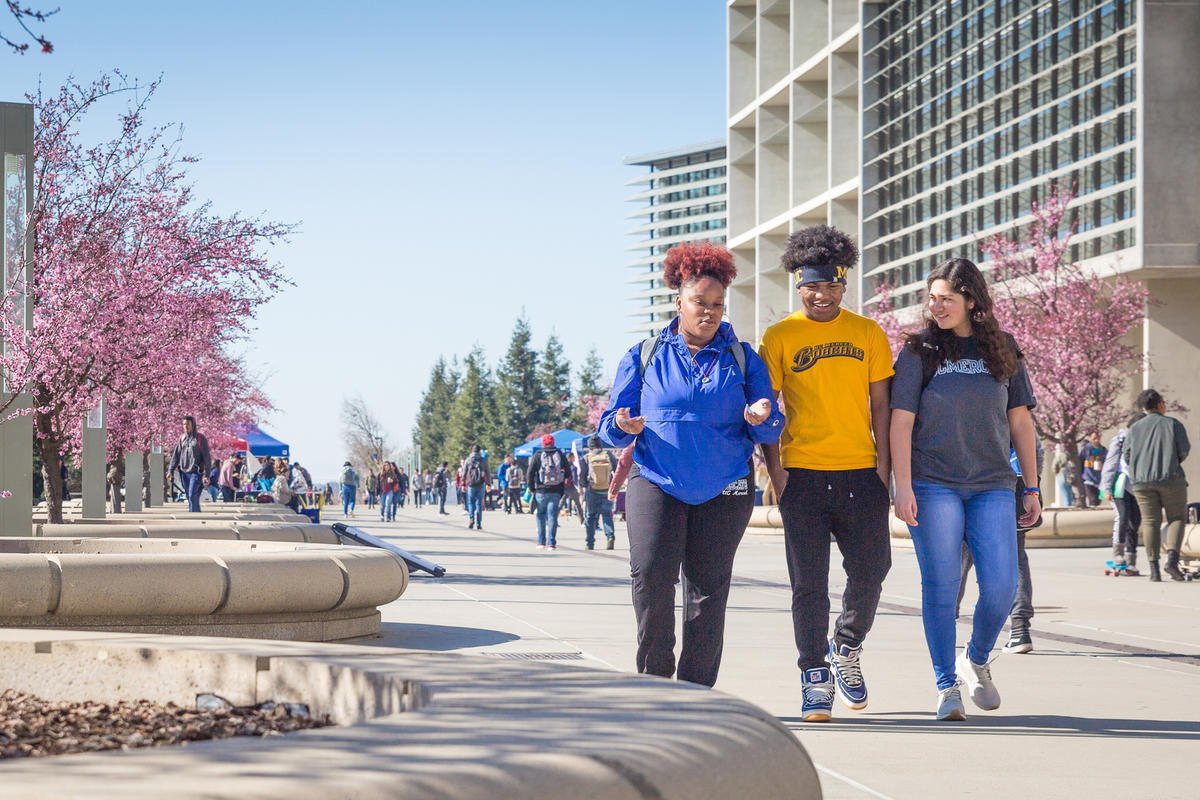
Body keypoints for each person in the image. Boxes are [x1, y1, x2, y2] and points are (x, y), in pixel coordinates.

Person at [600, 241, 783, 688]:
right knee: (650, 576)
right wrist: (622, 424)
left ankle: (696, 689)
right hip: (656, 479)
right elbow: (609, 426)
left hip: (725, 486)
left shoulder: (743, 358)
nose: (710, 312)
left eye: (718, 304)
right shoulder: (644, 355)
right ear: (678, 301)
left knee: (708, 590)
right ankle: (655, 680)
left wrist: (762, 417)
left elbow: (771, 425)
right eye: (700, 302)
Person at [890, 257, 1040, 721]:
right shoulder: (918, 351)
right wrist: (902, 486)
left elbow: (1020, 422)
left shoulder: (1003, 349)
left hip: (993, 483)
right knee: (942, 585)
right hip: (933, 483)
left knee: (1002, 586)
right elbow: (900, 422)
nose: (936, 307)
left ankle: (974, 659)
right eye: (932, 298)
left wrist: (1032, 486)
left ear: (972, 301)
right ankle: (946, 686)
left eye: (947, 299)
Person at [757, 225, 894, 722]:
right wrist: (776, 470)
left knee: (873, 569)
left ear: (843, 285)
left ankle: (847, 645)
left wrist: (884, 465)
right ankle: (814, 673)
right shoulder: (779, 337)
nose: (822, 295)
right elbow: (766, 409)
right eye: (812, 286)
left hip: (861, 472)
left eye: (832, 286)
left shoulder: (867, 333)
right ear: (798, 286)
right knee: (809, 583)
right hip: (804, 475)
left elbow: (881, 405)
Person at [1124, 389, 1191, 582]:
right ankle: (1172, 560)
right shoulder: (1173, 424)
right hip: (1171, 478)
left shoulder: (1134, 428)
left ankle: (1154, 569)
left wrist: (1140, 468)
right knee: (1177, 518)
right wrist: (1171, 462)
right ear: (1160, 404)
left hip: (1142, 482)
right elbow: (1184, 450)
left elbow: (1127, 455)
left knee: (1150, 521)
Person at [1099, 413, 1144, 575]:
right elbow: (1110, 463)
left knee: (1135, 521)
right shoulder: (1120, 439)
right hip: (1121, 485)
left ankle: (1131, 558)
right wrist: (1106, 487)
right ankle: (1118, 554)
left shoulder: (1144, 440)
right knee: (1123, 517)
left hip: (1138, 486)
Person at [527, 434, 568, 549]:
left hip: (541, 491)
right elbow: (568, 472)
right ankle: (551, 543)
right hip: (556, 491)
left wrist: (532, 488)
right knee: (552, 517)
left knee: (540, 515)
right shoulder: (559, 454)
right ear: (553, 442)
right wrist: (561, 485)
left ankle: (541, 542)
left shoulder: (538, 454)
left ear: (543, 443)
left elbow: (530, 473)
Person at [168, 415, 212, 513]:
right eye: (184, 424)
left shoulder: (200, 438)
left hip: (196, 472)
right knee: (190, 496)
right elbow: (176, 455)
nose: (185, 426)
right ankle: (196, 515)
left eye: (187, 424)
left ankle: (193, 516)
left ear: (193, 425)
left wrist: (207, 474)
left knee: (192, 495)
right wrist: (170, 470)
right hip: (184, 472)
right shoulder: (182, 438)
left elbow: (207, 458)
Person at [580, 436, 617, 550]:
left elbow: (582, 476)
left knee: (590, 516)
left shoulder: (587, 457)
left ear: (589, 446)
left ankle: (590, 543)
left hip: (592, 491)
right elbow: (616, 469)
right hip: (607, 489)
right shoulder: (608, 455)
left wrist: (585, 486)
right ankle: (610, 536)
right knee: (607, 514)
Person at [463, 445, 490, 530]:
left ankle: (471, 519)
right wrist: (488, 484)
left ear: (472, 450)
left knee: (470, 503)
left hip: (471, 484)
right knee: (479, 503)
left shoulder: (468, 460)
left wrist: (463, 484)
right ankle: (479, 523)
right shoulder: (483, 460)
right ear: (479, 451)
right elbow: (487, 472)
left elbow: (464, 473)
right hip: (481, 484)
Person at [1078, 432, 1107, 507]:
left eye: (1098, 438)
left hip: (1099, 479)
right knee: (1092, 500)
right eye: (1094, 438)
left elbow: (1107, 463)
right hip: (1088, 479)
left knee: (1098, 501)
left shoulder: (1104, 450)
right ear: (1090, 438)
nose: (1096, 440)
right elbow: (1080, 461)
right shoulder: (1086, 449)